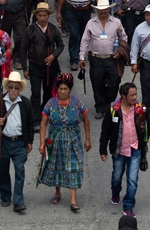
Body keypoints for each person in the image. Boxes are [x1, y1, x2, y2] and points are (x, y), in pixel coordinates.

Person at [38, 72, 92, 212]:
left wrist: (88, 139)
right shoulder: (50, 104)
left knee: (73, 167)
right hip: (55, 140)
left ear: (70, 90)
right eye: (61, 89)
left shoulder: (77, 103)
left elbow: (86, 121)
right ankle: (57, 192)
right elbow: (43, 123)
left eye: (65, 89)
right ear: (57, 89)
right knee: (57, 165)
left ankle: (73, 200)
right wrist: (42, 142)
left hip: (73, 139)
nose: (63, 92)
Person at [0, 71, 35, 214]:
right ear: (7, 87)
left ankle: (19, 201)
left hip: (19, 142)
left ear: (20, 89)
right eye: (11, 87)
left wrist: (30, 141)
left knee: (20, 169)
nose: (13, 90)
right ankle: (5, 196)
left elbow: (30, 124)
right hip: (2, 141)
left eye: (16, 87)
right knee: (2, 170)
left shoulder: (25, 103)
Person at [100, 82, 148, 217]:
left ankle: (128, 206)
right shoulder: (113, 109)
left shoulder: (140, 109)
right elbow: (105, 130)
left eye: (135, 94)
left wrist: (143, 140)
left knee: (132, 179)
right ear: (123, 96)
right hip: (119, 150)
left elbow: (148, 124)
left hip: (135, 150)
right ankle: (115, 192)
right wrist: (102, 150)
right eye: (131, 95)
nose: (135, 98)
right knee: (116, 176)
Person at [79, 0, 130, 119]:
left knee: (114, 83)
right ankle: (100, 107)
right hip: (96, 58)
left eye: (105, 9)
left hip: (112, 58)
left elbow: (124, 37)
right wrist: (82, 57)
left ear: (108, 9)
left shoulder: (116, 22)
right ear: (97, 10)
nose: (103, 11)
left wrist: (120, 51)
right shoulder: (90, 23)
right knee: (97, 84)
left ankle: (109, 105)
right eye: (100, 9)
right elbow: (85, 41)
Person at [18, 2, 65, 116]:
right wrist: (25, 68)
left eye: (45, 15)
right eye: (40, 15)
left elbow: (60, 45)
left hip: (50, 68)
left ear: (48, 16)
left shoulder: (53, 29)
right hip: (34, 67)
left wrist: (53, 56)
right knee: (35, 93)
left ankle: (45, 113)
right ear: (36, 16)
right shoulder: (29, 30)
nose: (42, 18)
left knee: (48, 92)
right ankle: (36, 118)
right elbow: (23, 49)